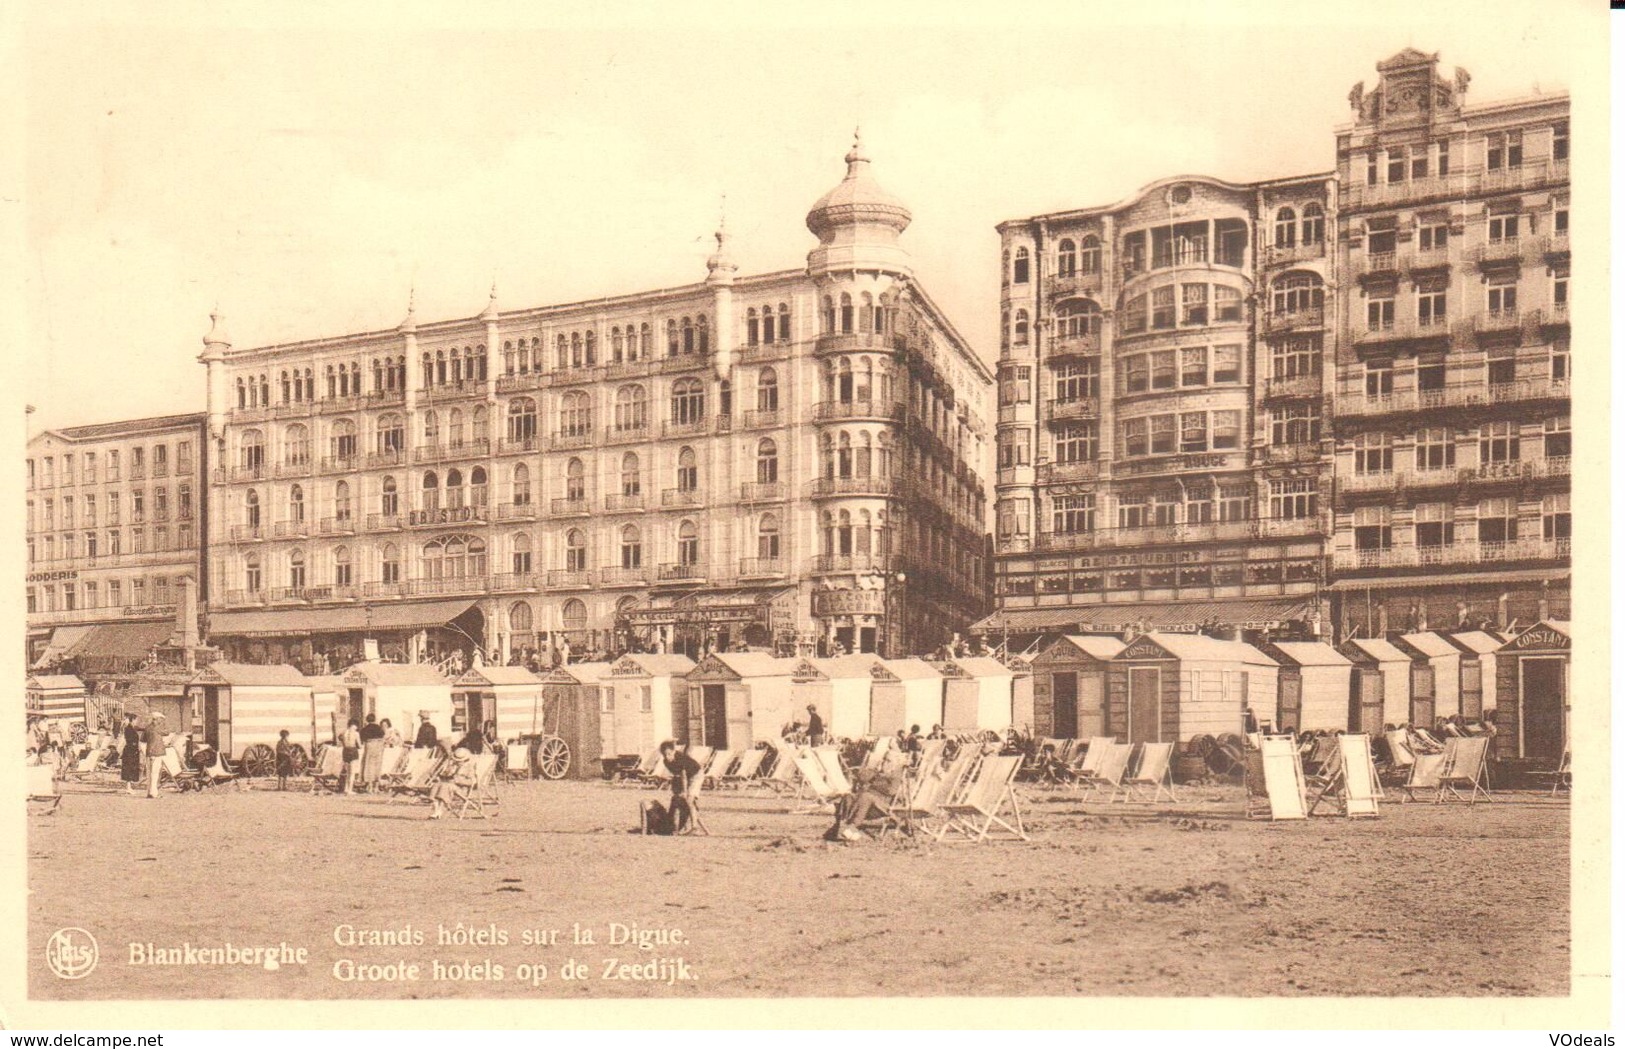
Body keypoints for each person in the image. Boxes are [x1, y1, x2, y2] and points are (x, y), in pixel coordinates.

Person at [658, 740, 702, 834]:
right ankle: (677, 826)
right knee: (679, 799)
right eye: (664, 755)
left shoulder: (680, 758)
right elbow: (676, 775)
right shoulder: (665, 761)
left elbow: (684, 776)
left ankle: (695, 828)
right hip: (685, 777)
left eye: (669, 754)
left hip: (695, 775)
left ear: (674, 751)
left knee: (689, 799)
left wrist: (685, 791)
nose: (667, 757)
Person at [358, 713, 386, 791]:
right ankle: (376, 786)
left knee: (368, 765)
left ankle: (370, 785)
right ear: (374, 719)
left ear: (367, 720)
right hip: (378, 746)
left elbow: (362, 739)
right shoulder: (379, 728)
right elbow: (383, 736)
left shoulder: (365, 729)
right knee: (377, 765)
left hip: (369, 745)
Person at [144, 711, 167, 798]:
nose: (161, 721)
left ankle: (149, 792)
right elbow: (167, 732)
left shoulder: (147, 728)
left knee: (149, 774)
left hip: (149, 752)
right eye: (160, 719)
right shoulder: (158, 728)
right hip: (157, 752)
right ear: (156, 719)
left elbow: (143, 739)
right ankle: (154, 793)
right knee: (155, 773)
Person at [120, 711, 143, 795]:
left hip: (132, 750)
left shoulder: (131, 728)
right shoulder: (129, 728)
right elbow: (130, 740)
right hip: (130, 751)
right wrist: (136, 747)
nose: (137, 721)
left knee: (131, 768)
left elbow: (139, 729)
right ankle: (128, 788)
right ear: (133, 719)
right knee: (129, 768)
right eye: (136, 720)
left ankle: (129, 787)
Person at [339, 719, 361, 794]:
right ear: (355, 725)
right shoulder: (356, 733)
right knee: (352, 772)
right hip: (353, 751)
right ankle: (350, 789)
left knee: (347, 771)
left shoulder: (344, 732)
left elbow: (340, 739)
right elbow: (359, 745)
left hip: (345, 751)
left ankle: (346, 788)